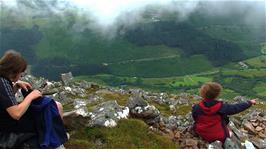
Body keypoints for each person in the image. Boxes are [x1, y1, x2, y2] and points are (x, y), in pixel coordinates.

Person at [0, 50, 67, 148]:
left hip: (6, 121)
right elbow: (16, 114)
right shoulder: (3, 84)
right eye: (20, 73)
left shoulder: (3, 80)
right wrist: (31, 96)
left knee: (56, 106)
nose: (20, 76)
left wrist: (15, 87)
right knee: (54, 107)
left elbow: (4, 101)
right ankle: (53, 139)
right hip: (10, 125)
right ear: (13, 71)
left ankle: (54, 137)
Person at [192, 82, 256, 143]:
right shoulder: (221, 107)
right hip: (220, 137)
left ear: (202, 93)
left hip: (202, 134)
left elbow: (195, 119)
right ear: (217, 94)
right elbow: (236, 108)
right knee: (230, 132)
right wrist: (249, 102)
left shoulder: (196, 108)